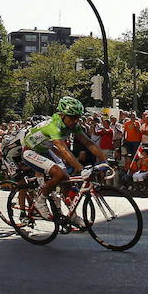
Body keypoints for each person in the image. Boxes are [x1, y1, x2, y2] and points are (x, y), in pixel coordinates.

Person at [20, 97, 107, 226]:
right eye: (72, 117)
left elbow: (88, 143)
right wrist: (81, 169)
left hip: (46, 149)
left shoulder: (73, 124)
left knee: (65, 179)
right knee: (59, 174)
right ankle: (40, 200)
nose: (75, 121)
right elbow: (64, 150)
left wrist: (105, 160)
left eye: (78, 117)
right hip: (30, 151)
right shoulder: (53, 126)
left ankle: (72, 215)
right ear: (62, 115)